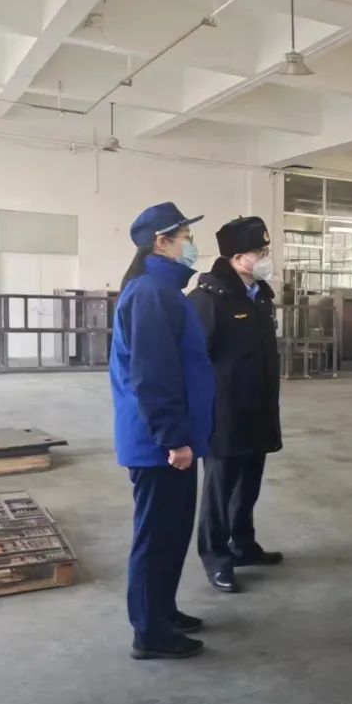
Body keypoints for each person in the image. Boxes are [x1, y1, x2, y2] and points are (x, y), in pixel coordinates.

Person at [110, 202, 215, 660]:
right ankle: (149, 632)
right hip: (159, 443)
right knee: (156, 537)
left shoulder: (162, 289)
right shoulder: (151, 292)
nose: (191, 245)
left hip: (170, 438)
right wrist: (173, 438)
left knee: (171, 533)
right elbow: (153, 375)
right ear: (162, 241)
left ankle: (162, 611)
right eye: (185, 237)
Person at [188, 216, 283, 595]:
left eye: (266, 251)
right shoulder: (209, 299)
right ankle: (216, 558)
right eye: (259, 252)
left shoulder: (259, 296)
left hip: (258, 406)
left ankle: (243, 545)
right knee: (220, 489)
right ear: (237, 256)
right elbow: (194, 362)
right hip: (224, 412)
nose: (265, 258)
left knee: (248, 484)